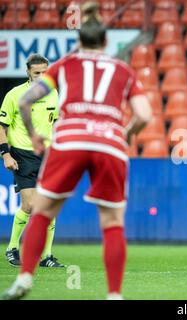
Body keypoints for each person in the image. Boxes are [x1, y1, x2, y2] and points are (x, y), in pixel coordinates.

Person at [2, 12, 151, 300]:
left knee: (43, 211)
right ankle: (114, 294)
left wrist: (33, 135)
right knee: (112, 222)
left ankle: (24, 278)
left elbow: (26, 99)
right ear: (106, 41)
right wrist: (128, 132)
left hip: (69, 141)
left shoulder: (64, 66)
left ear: (78, 40)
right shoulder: (122, 69)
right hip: (109, 143)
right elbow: (144, 114)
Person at [0, 54, 65, 268]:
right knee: (28, 204)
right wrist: (6, 154)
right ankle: (12, 248)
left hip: (46, 156)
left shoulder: (53, 94)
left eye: (45, 72)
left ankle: (46, 256)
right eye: (37, 73)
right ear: (28, 71)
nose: (41, 77)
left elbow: (54, 124)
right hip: (22, 154)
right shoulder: (14, 95)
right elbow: (2, 126)